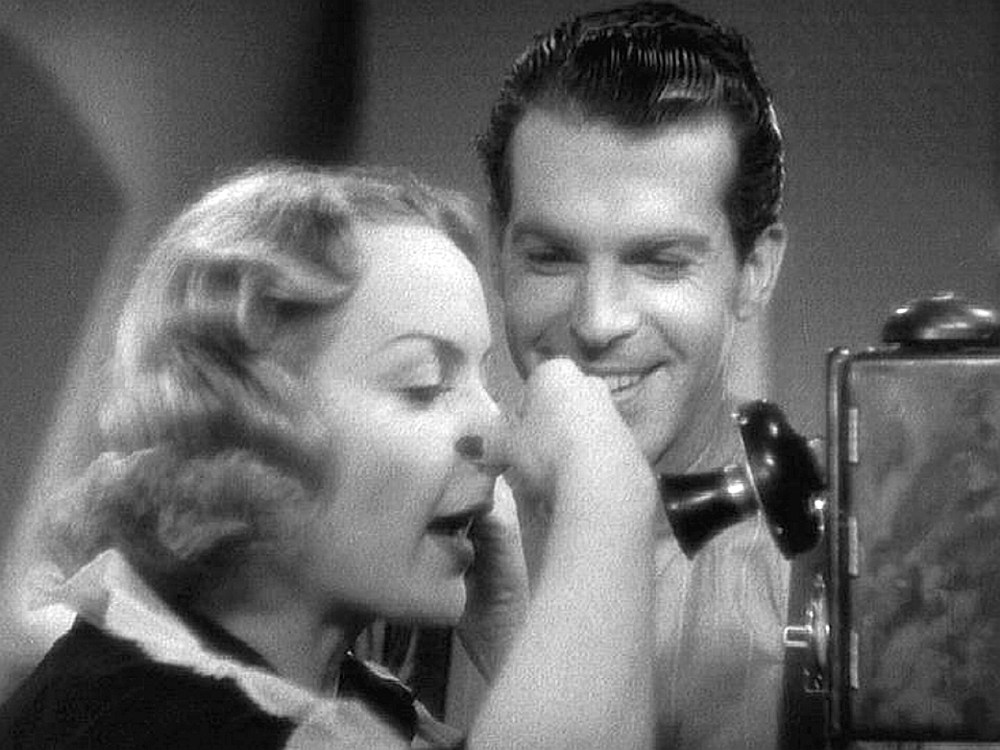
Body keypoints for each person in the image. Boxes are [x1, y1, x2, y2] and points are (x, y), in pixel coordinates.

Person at [0, 163, 659, 748]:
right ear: (242, 429)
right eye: (425, 385)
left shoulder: (325, 694)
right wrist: (606, 499)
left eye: (482, 380)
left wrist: (509, 622)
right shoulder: (155, 724)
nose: (499, 436)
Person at [472, 2, 790, 748]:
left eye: (660, 262)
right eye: (551, 257)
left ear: (755, 272)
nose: (597, 320)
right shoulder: (412, 542)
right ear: (498, 251)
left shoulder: (856, 580)